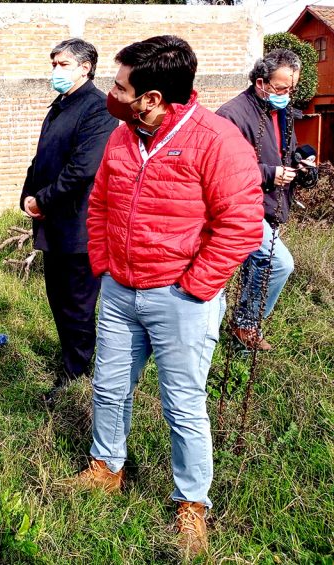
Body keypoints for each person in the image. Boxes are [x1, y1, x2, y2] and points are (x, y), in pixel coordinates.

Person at [73, 36, 264, 555]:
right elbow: (102, 204)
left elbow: (241, 226)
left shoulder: (218, 142)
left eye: (120, 87)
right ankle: (107, 467)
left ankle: (191, 504)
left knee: (183, 406)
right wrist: (104, 266)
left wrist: (196, 287)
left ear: (153, 97)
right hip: (118, 291)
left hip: (180, 299)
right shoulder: (121, 136)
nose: (111, 94)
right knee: (109, 389)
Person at [20, 38, 116, 398]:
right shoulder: (60, 105)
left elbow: (82, 169)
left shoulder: (98, 108)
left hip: (79, 226)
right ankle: (71, 358)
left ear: (85, 68)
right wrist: (27, 196)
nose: (55, 71)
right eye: (54, 64)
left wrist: (42, 200)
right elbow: (42, 158)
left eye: (63, 65)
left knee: (76, 304)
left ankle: (78, 372)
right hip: (52, 223)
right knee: (58, 299)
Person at [217, 49, 318, 351]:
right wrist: (269, 173)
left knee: (256, 268)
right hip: (240, 207)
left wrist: (301, 161)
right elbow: (223, 166)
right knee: (278, 263)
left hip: (272, 204)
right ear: (260, 82)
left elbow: (287, 151)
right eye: (281, 88)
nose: (287, 94)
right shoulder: (231, 114)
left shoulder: (280, 110)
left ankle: (237, 342)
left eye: (292, 88)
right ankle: (245, 325)